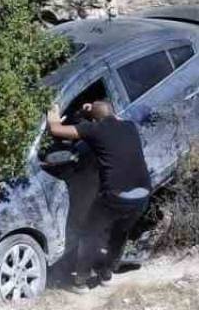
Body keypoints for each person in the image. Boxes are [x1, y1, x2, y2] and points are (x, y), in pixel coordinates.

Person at [46, 99, 152, 287]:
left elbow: (56, 130)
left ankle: (80, 281)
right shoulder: (129, 126)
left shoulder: (93, 130)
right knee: (120, 233)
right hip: (143, 195)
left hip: (115, 197)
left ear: (94, 119)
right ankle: (106, 275)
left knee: (89, 234)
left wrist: (52, 112)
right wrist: (93, 110)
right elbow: (113, 117)